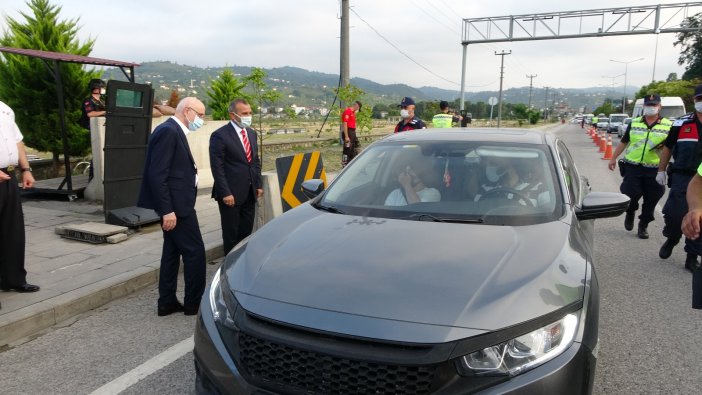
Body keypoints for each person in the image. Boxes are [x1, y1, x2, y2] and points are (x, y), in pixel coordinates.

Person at [137, 97, 206, 317]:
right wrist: (167, 210)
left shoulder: (173, 130)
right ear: (188, 111)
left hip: (178, 205)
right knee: (195, 253)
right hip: (177, 208)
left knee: (171, 252)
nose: (202, 120)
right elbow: (158, 175)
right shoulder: (169, 131)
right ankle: (194, 303)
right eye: (201, 115)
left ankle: (166, 302)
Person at [608, 94, 673, 239]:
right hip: (633, 167)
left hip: (655, 169)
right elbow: (624, 142)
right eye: (648, 105)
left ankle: (643, 225)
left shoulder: (669, 125)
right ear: (644, 106)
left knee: (652, 199)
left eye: (654, 105)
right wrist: (613, 158)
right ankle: (630, 211)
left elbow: (672, 147)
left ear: (660, 106)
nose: (651, 108)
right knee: (629, 195)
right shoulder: (635, 123)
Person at [209, 99, 263, 256]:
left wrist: (258, 184)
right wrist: (225, 192)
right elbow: (217, 167)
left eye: (250, 113)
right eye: (244, 114)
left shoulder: (251, 133)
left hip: (250, 192)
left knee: (246, 233)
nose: (248, 116)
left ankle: (243, 261)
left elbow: (255, 161)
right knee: (231, 234)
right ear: (233, 115)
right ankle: (230, 266)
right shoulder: (220, 136)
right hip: (230, 195)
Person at [657, 85, 702, 270]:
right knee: (675, 214)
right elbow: (668, 147)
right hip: (683, 176)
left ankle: (692, 255)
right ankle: (672, 237)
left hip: (701, 177)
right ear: (694, 101)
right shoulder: (680, 123)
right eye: (700, 99)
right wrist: (661, 170)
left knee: (698, 219)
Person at [0, 100, 40, 299]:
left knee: (13, 230)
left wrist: (26, 169)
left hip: (8, 177)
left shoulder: (5, 108)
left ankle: (14, 279)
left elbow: (17, 141)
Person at [341, 100, 362, 167]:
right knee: (347, 149)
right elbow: (345, 124)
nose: (358, 110)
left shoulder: (353, 113)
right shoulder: (348, 111)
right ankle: (344, 164)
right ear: (356, 106)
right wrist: (346, 136)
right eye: (358, 108)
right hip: (348, 132)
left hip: (352, 132)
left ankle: (351, 164)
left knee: (353, 148)